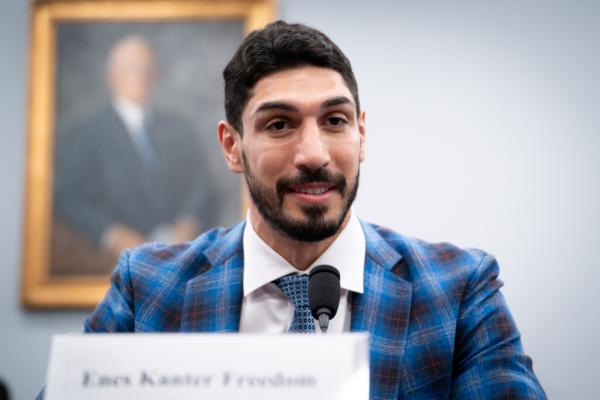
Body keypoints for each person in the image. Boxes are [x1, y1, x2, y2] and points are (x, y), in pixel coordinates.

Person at [80, 22, 545, 398]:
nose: (315, 154)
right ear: (232, 146)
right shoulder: (147, 288)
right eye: (279, 124)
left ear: (361, 134)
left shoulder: (459, 289)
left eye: (335, 121)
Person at [53, 35, 217, 268]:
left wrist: (188, 221)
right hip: (117, 258)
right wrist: (109, 233)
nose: (142, 76)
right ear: (113, 77)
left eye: (147, 68)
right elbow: (67, 197)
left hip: (181, 252)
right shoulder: (86, 133)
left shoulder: (179, 128)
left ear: (156, 75)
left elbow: (200, 185)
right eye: (132, 69)